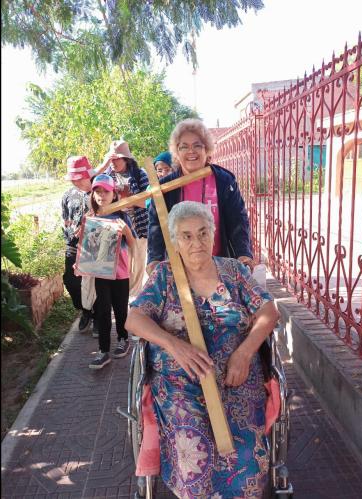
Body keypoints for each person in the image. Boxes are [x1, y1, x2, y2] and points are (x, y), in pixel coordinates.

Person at [126, 201, 280, 498]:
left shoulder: (234, 272)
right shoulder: (164, 277)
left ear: (212, 233)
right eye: (185, 236)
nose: (196, 242)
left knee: (246, 454)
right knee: (195, 456)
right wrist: (174, 345)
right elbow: (134, 318)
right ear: (174, 241)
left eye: (202, 232)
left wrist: (245, 352)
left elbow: (268, 311)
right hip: (179, 383)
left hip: (236, 378)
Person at [146, 119, 255, 279]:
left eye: (197, 145)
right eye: (184, 146)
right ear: (176, 152)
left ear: (207, 149)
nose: (191, 151)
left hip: (219, 267)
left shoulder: (224, 180)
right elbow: (156, 226)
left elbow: (238, 220)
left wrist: (243, 253)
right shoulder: (164, 188)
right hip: (179, 271)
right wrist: (154, 259)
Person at [77, 174, 138, 369]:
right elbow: (85, 248)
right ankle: (103, 351)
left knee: (120, 309)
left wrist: (126, 231)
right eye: (98, 191)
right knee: (102, 311)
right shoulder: (90, 218)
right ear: (93, 194)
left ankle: (123, 339)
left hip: (120, 273)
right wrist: (80, 264)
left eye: (106, 191)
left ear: (114, 193)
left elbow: (133, 244)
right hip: (100, 274)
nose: (102, 195)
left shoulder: (122, 216)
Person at [103, 140, 150, 298]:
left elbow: (148, 203)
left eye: (117, 159)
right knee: (121, 267)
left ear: (126, 159)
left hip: (139, 229)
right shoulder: (107, 176)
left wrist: (129, 198)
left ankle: (134, 300)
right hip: (117, 230)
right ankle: (122, 298)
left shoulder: (139, 174)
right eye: (112, 159)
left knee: (137, 267)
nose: (113, 163)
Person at [61, 155, 98, 332]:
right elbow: (65, 218)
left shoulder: (101, 191)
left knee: (97, 284)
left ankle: (99, 316)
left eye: (78, 178)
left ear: (87, 174)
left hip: (95, 244)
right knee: (70, 280)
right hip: (73, 244)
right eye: (73, 179)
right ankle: (86, 311)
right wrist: (69, 232)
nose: (75, 182)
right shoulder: (68, 194)